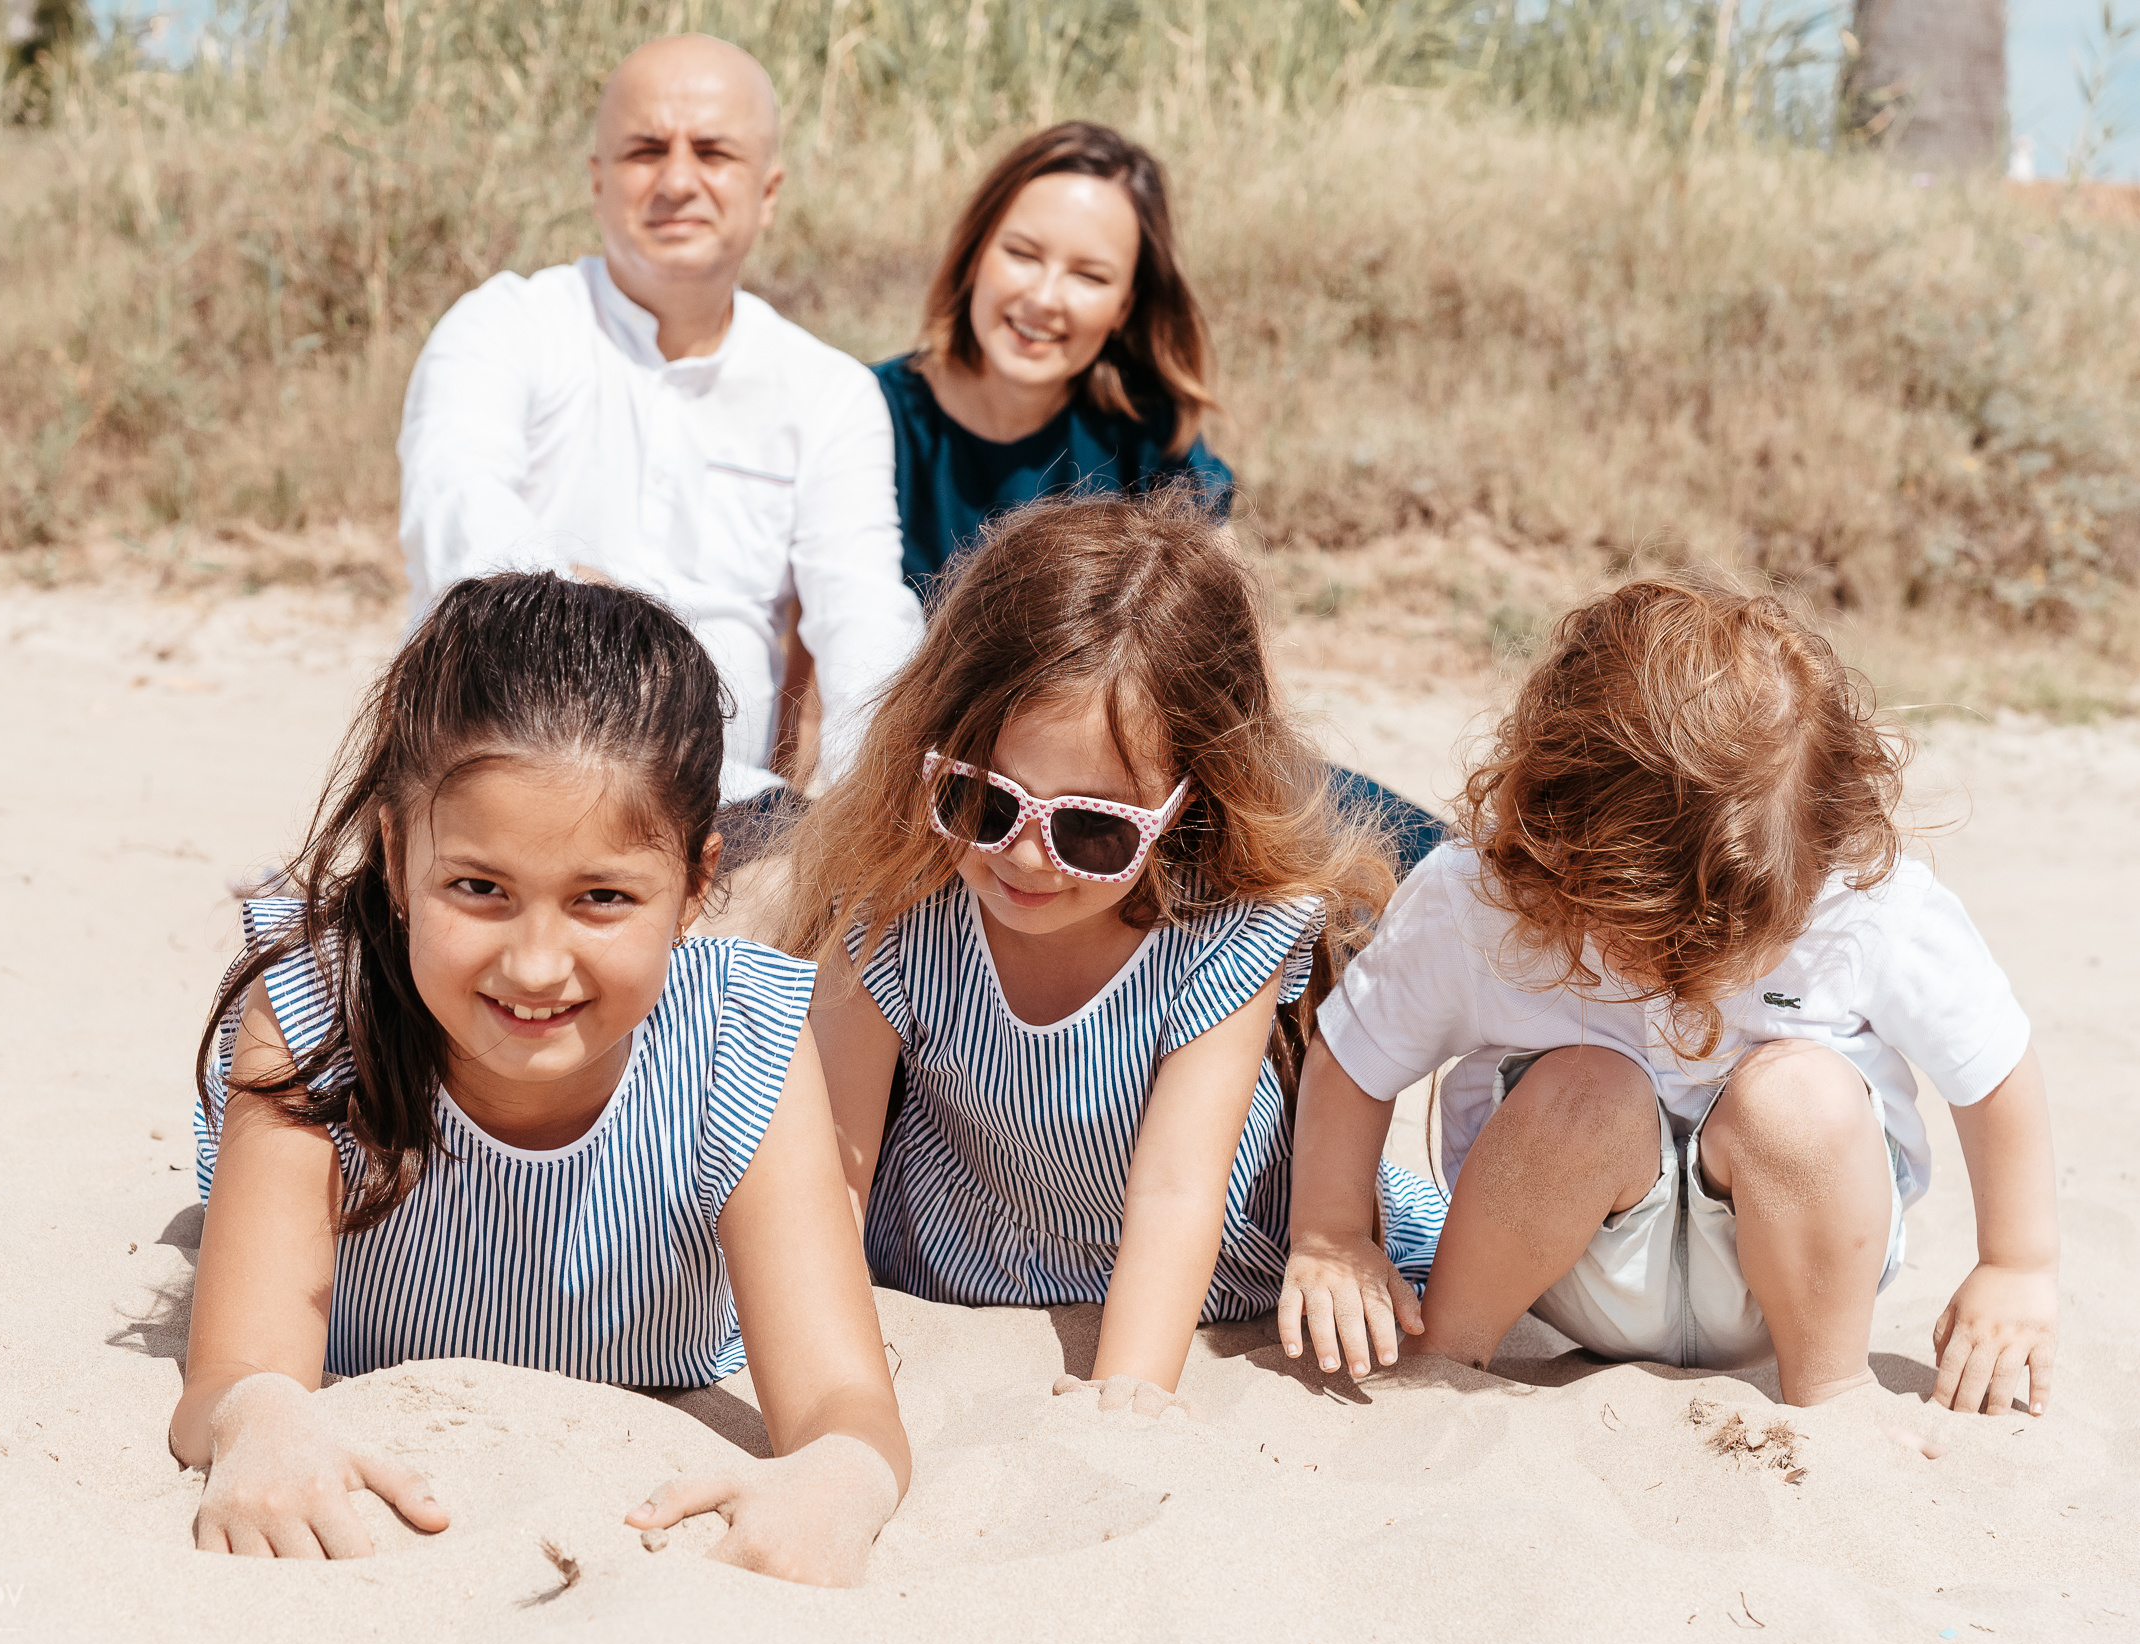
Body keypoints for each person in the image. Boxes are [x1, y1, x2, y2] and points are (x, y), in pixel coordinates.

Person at [173, 574, 909, 1583]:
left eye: (602, 897)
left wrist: (841, 1479)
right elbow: (235, 1369)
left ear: (696, 884)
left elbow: (843, 1402)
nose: (532, 964)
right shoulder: (314, 1016)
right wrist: (257, 1417)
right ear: (395, 854)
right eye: (479, 888)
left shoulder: (737, 1039)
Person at [1278, 576, 2058, 1416]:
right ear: (1556, 843)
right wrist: (1332, 1234)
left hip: (1798, 1271)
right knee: (1587, 1092)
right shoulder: (1483, 902)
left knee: (1799, 1094)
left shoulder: (1866, 906)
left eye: (1733, 939)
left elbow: (1994, 1068)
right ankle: (1450, 1357)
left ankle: (1834, 1393)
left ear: (1819, 847)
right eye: (1647, 940)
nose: (1686, 974)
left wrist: (2016, 1263)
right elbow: (1355, 1059)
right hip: (1564, 1259)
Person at [777, 492, 1446, 1412]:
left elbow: (1177, 1190)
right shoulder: (900, 898)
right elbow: (834, 1167)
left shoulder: (1223, 933)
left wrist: (1127, 1394)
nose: (1022, 854)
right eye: (984, 799)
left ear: (1187, 802)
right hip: (951, 1249)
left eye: (1092, 831)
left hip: (1204, 1269)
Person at [874, 120, 1442, 869]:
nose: (1045, 297)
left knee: (1437, 861)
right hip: (961, 795)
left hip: (1137, 786)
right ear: (974, 254)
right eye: (1021, 254)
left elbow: (1240, 668)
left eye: (1089, 275)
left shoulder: (1146, 429)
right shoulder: (869, 415)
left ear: (1125, 306)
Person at [396, 35, 921, 806]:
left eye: (713, 152)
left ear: (767, 191)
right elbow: (454, 509)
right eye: (646, 151)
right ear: (598, 182)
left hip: (724, 808)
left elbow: (863, 622)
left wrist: (859, 811)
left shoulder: (830, 393)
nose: (678, 180)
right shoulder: (503, 326)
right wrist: (600, 627)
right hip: (500, 764)